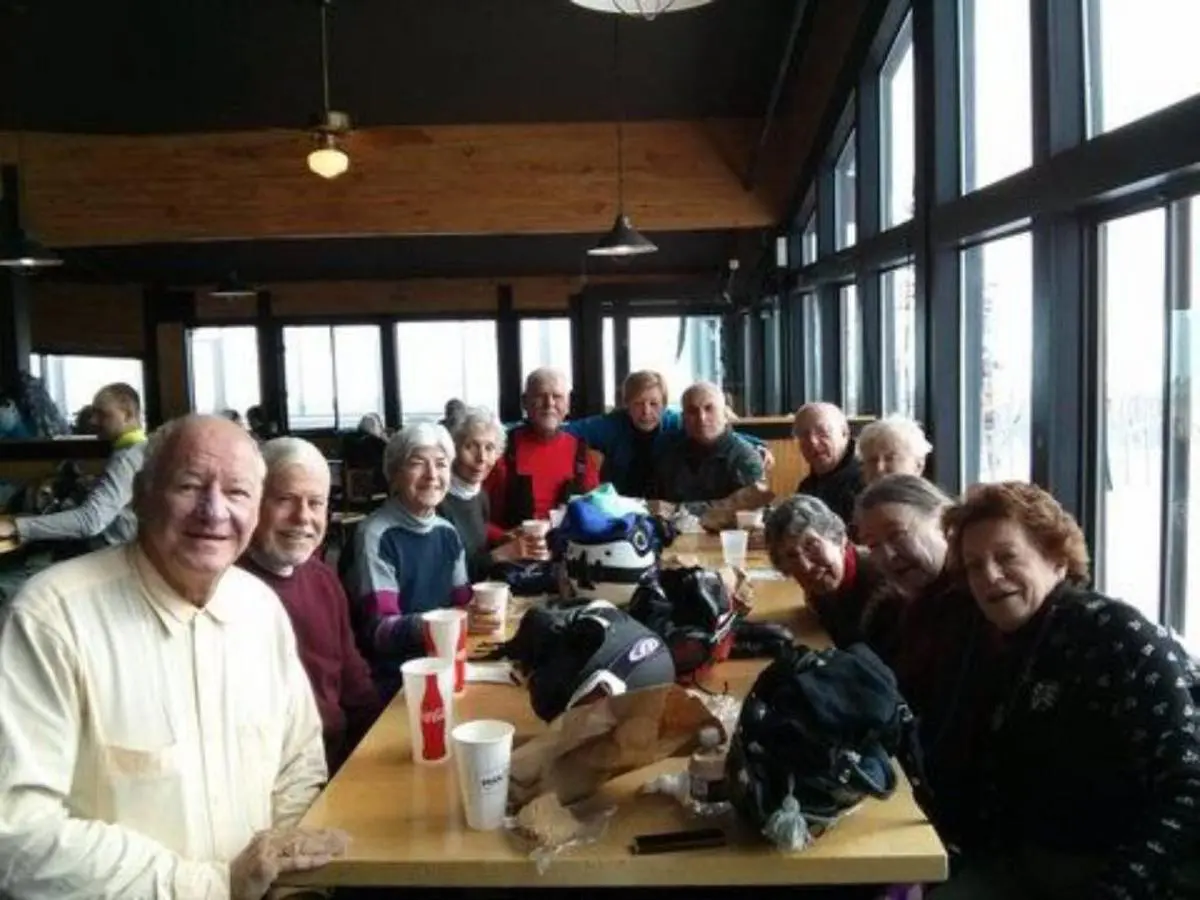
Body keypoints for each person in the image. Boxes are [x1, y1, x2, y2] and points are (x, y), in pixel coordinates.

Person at [0, 414, 342, 898]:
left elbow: (298, 764)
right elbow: (16, 835)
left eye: (238, 493)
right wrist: (213, 886)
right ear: (140, 494)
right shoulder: (52, 615)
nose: (214, 511)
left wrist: (290, 880)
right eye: (189, 485)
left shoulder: (260, 607)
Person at [929, 481, 1200, 899]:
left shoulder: (1115, 634)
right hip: (1019, 859)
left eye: (1006, 557)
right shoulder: (1001, 642)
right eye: (974, 566)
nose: (990, 577)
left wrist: (1116, 889)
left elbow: (1189, 784)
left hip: (1116, 871)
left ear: (1056, 557)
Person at [854, 474, 996, 847]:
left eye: (897, 534)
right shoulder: (906, 608)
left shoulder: (981, 605)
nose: (886, 555)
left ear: (945, 520)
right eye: (873, 545)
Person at [240, 437, 381, 773]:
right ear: (254, 503)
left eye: (315, 503)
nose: (303, 517)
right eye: (285, 500)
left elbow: (354, 681)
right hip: (273, 775)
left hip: (338, 759)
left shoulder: (323, 579)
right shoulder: (229, 590)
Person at [346, 422, 471, 696]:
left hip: (446, 665)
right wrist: (441, 623)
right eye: (417, 464)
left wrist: (480, 612)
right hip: (399, 679)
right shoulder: (376, 533)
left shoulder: (447, 532)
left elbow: (463, 605)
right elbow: (381, 630)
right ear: (394, 475)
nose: (432, 475)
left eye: (441, 464)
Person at [562, 370, 767, 499]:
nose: (646, 412)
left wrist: (756, 446)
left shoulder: (675, 421)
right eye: (638, 404)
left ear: (665, 405)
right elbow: (567, 430)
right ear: (626, 406)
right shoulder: (611, 425)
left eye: (654, 404)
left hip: (660, 502)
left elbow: (716, 431)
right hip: (621, 504)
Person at [0, 382, 147, 550]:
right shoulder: (133, 450)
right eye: (93, 414)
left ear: (127, 415)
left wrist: (17, 527)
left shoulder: (126, 459)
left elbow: (90, 521)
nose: (93, 420)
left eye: (102, 414)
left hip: (108, 552)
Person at [764, 493, 886, 650]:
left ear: (839, 538)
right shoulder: (821, 587)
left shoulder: (881, 585)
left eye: (812, 546)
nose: (805, 566)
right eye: (792, 556)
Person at [484, 367, 599, 529]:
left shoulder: (580, 452)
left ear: (567, 404)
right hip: (510, 548)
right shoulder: (500, 448)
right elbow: (474, 518)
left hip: (568, 549)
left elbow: (595, 512)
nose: (549, 403)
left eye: (557, 397)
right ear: (524, 402)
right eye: (540, 396)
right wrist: (503, 539)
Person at [438, 407, 523, 581]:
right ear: (452, 449)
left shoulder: (480, 496)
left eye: (490, 448)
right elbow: (444, 575)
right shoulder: (437, 501)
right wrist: (499, 555)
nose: (482, 457)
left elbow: (477, 555)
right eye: (471, 446)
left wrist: (502, 541)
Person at [652, 381, 764, 503]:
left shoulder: (744, 457)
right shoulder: (670, 456)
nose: (701, 418)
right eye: (693, 411)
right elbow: (657, 505)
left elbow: (747, 509)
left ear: (725, 414)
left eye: (709, 408)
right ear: (684, 418)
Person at [793, 402, 864, 528]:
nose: (813, 442)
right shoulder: (806, 487)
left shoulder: (867, 480)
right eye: (804, 435)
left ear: (844, 433)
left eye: (822, 432)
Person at [856, 415, 932, 485]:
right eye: (872, 460)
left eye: (890, 458)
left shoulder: (931, 499)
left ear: (918, 465)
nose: (879, 468)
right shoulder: (853, 498)